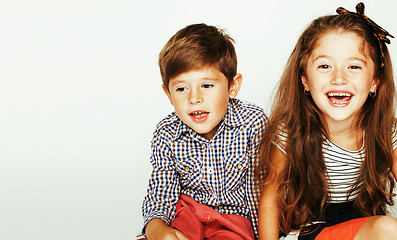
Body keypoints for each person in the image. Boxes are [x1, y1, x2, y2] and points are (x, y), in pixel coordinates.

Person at [255, 3, 397, 240]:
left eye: (353, 66)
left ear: (374, 82)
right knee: (389, 229)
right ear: (305, 80)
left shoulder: (387, 130)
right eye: (324, 66)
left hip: (361, 225)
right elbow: (270, 199)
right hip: (309, 230)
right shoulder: (289, 131)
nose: (339, 78)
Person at [142, 23, 267, 240]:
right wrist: (156, 228)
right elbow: (161, 191)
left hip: (233, 222)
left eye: (207, 86)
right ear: (168, 94)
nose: (194, 98)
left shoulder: (252, 123)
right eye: (181, 89)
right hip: (187, 214)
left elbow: (260, 192)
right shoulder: (167, 132)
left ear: (232, 86)